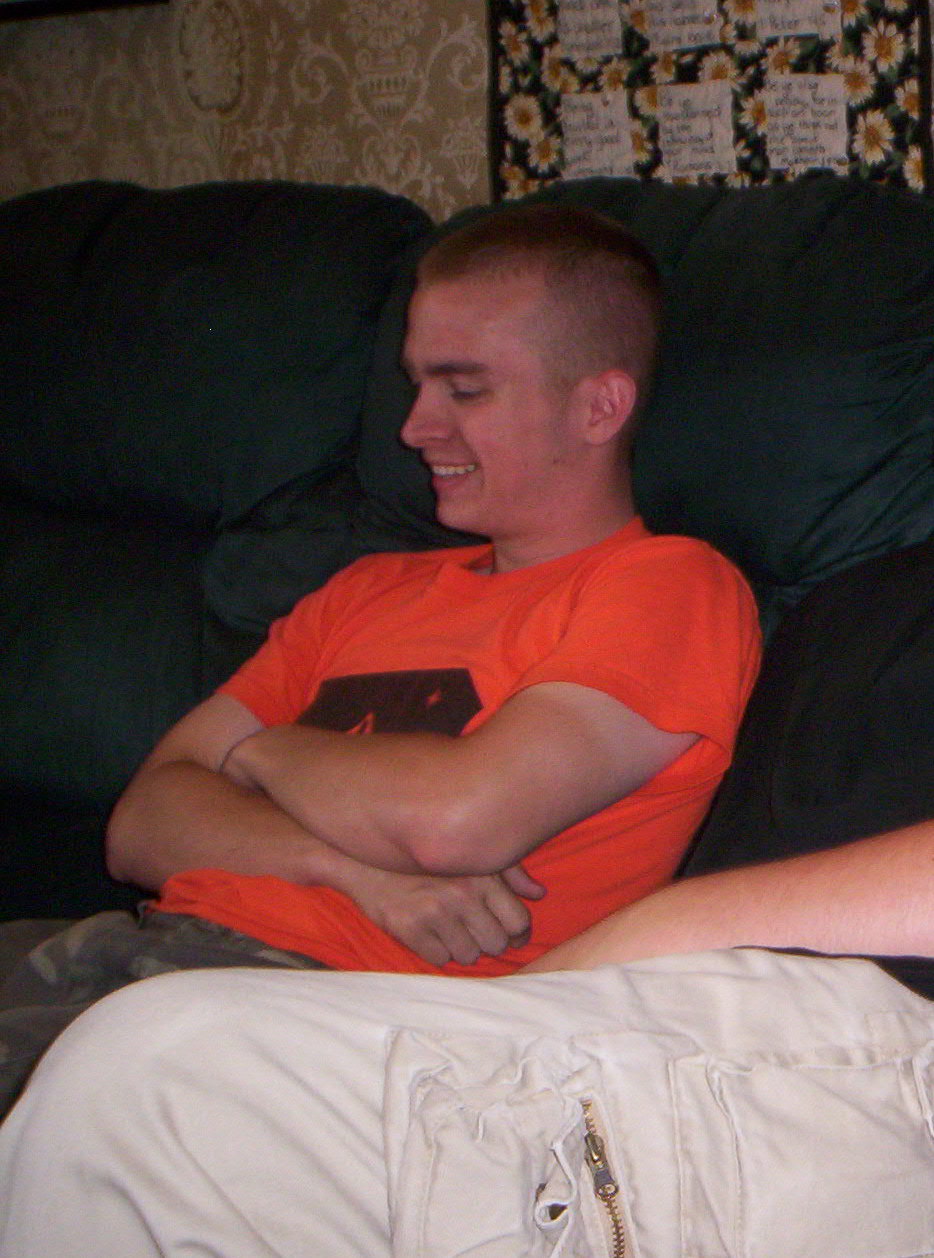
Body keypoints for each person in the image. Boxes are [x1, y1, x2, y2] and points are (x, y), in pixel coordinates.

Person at [0, 105, 934, 1258]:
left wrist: (680, 928)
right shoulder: (837, 611)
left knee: (149, 1086)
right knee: (166, 1136)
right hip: (711, 1050)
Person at [0, 204, 762, 1114]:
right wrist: (356, 872)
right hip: (140, 955)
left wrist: (260, 753)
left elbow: (459, 823)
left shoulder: (669, 586)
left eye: (464, 390)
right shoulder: (368, 590)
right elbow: (141, 825)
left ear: (599, 406)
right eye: (415, 385)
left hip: (338, 1023)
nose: (414, 427)